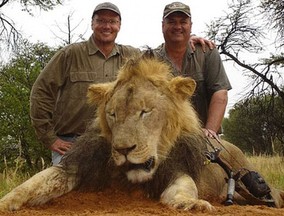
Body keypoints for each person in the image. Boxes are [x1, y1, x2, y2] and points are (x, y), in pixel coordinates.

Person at [30, 2, 215, 165]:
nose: (106, 26)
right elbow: (41, 92)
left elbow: (159, 68)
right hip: (71, 141)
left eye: (112, 21)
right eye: (101, 21)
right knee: (65, 185)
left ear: (119, 25)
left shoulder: (132, 56)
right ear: (92, 24)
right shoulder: (70, 54)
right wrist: (50, 139)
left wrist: (184, 40)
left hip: (111, 141)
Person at [152, 2, 232, 139]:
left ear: (190, 25)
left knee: (233, 159)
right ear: (162, 25)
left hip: (204, 136)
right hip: (165, 138)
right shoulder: (150, 58)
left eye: (183, 22)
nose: (177, 27)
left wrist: (210, 131)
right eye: (171, 22)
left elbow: (220, 93)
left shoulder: (208, 51)